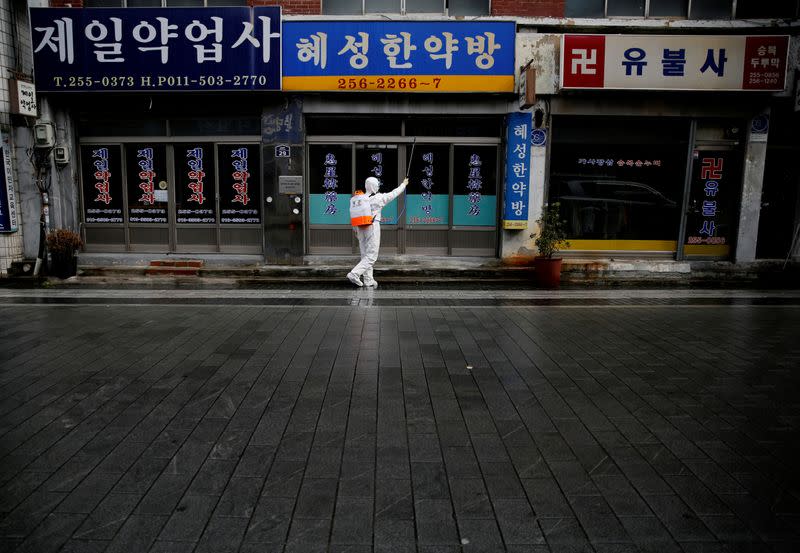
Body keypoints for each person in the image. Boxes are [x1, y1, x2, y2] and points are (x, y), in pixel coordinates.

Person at [347, 176, 408, 287]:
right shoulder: (379, 198)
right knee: (371, 256)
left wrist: (355, 230)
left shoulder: (359, 198)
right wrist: (403, 184)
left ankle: (368, 280)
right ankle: (354, 274)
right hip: (372, 226)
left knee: (365, 254)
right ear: (374, 186)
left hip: (359, 227)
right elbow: (394, 193)